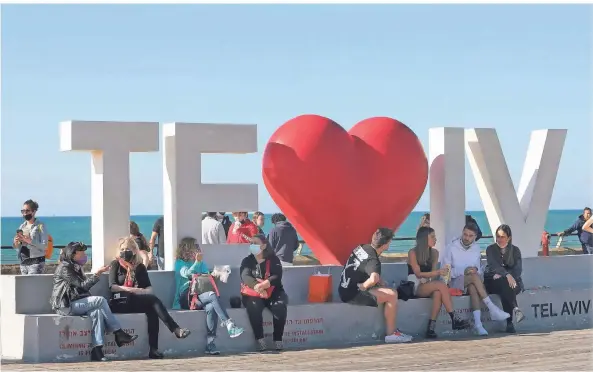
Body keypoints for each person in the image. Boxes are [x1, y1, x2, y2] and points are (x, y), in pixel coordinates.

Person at [49, 242, 137, 362]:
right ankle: (119, 333)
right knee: (100, 300)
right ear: (73, 254)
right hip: (65, 305)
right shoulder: (65, 267)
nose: (85, 255)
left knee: (97, 312)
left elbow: (81, 289)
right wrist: (98, 273)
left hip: (76, 302)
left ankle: (97, 351)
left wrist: (97, 274)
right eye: (82, 253)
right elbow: (83, 286)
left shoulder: (75, 266)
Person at [109, 237, 191, 359]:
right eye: (122, 249)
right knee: (153, 301)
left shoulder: (140, 267)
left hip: (135, 301)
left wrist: (137, 291)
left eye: (128, 249)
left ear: (134, 251)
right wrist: (131, 290)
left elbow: (149, 289)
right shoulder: (115, 264)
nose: (124, 252)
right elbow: (113, 287)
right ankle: (175, 329)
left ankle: (154, 349)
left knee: (152, 310)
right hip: (119, 301)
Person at [339, 228, 413, 344]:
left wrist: (377, 282)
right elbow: (374, 278)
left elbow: (364, 268)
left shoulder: (362, 247)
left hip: (343, 288)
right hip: (352, 294)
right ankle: (391, 334)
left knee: (383, 286)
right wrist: (363, 286)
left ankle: (393, 333)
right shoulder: (374, 260)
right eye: (389, 242)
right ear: (385, 244)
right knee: (392, 294)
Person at [173, 237, 244, 355]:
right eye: (195, 246)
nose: (198, 249)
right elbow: (188, 274)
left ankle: (210, 343)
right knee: (212, 295)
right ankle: (228, 323)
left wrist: (216, 274)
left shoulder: (201, 263)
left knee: (211, 307)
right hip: (186, 297)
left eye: (198, 246)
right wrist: (197, 262)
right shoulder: (180, 263)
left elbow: (206, 277)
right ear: (186, 248)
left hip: (201, 296)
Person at [442, 223, 510, 336]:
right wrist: (463, 271)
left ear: (475, 237)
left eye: (470, 235)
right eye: (465, 234)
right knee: (474, 278)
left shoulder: (476, 248)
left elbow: (479, 270)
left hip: (471, 281)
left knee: (473, 286)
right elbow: (445, 273)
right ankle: (492, 308)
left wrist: (475, 269)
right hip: (453, 282)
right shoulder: (451, 248)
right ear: (462, 232)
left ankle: (478, 325)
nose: (467, 238)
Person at [408, 226, 470, 338]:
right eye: (432, 237)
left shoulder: (434, 253)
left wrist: (442, 274)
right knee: (439, 286)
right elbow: (418, 274)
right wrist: (438, 273)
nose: (435, 239)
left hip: (428, 284)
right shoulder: (413, 253)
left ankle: (431, 328)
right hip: (416, 286)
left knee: (438, 293)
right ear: (424, 238)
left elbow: (432, 275)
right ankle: (454, 318)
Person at [240, 234, 288, 352]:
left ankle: (278, 339)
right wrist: (258, 287)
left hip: (273, 291)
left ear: (264, 246)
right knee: (254, 306)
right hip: (253, 292)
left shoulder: (273, 259)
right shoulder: (247, 261)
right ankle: (260, 339)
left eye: (255, 243)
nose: (252, 245)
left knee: (280, 305)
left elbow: (277, 276)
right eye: (251, 243)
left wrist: (264, 285)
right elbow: (245, 276)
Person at [484, 224, 526, 334]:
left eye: (503, 237)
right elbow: (493, 265)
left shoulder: (515, 250)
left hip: (511, 283)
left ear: (509, 237)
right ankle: (514, 313)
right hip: (492, 281)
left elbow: (518, 270)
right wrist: (506, 275)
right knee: (504, 282)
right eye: (498, 236)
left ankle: (510, 322)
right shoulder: (490, 249)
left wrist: (506, 275)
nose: (499, 239)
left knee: (505, 285)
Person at [12, 199, 49, 274]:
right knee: (25, 285)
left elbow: (45, 246)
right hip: (23, 261)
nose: (25, 213)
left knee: (33, 285)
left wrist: (30, 241)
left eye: (27, 211)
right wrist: (16, 242)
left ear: (34, 211)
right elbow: (18, 246)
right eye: (23, 211)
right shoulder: (22, 226)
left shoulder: (40, 225)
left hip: (36, 261)